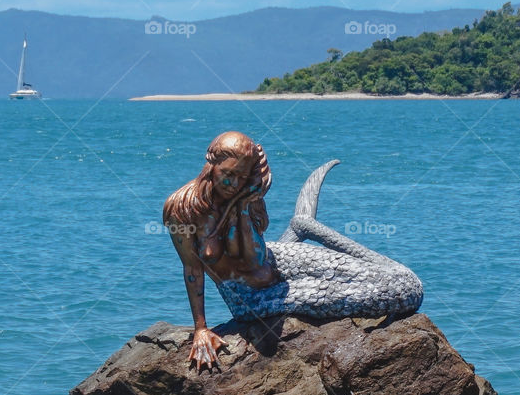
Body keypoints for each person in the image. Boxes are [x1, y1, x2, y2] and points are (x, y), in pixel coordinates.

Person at [163, 131, 423, 373]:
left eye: (242, 176)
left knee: (405, 283)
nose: (234, 183)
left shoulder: (246, 193)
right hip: (253, 296)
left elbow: (256, 258)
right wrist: (200, 329)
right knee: (401, 294)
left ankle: (303, 225)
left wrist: (242, 205)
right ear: (211, 165)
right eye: (228, 174)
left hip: (276, 258)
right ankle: (303, 225)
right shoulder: (182, 209)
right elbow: (193, 268)